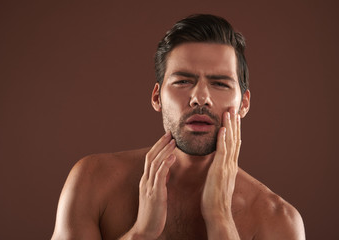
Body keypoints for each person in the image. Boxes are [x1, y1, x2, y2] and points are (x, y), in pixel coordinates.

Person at [51, 14, 305, 240]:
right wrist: (142, 232)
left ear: (244, 104)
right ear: (156, 97)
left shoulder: (279, 222)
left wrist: (220, 217)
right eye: (183, 80)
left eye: (220, 83)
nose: (200, 97)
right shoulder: (93, 181)